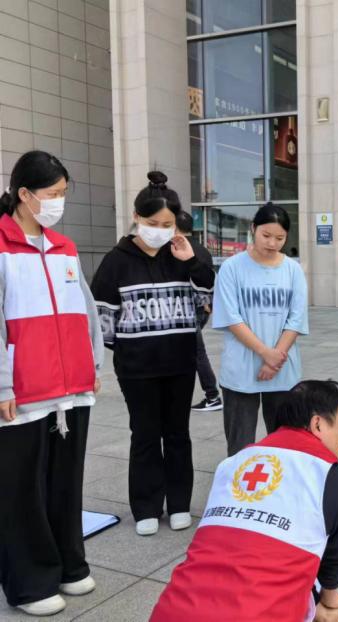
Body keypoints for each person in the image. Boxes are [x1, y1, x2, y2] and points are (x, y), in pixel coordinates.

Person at [150, 380, 338, 622]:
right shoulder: (336, 479)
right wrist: (330, 596)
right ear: (318, 424)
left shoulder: (232, 463)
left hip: (170, 612)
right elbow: (337, 554)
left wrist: (312, 606)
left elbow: (245, 552)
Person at [0, 151, 104, 616]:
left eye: (63, 194)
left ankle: (69, 565)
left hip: (71, 389)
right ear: (24, 194)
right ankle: (29, 582)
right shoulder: (2, 248)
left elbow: (86, 312)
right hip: (22, 392)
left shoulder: (64, 247)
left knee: (66, 482)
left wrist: (93, 365)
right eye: (52, 194)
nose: (59, 202)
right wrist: (2, 386)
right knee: (22, 490)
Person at [91, 171, 215, 537]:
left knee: (177, 434)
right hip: (137, 369)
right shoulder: (116, 261)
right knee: (144, 435)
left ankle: (178, 504)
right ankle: (146, 506)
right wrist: (134, 345)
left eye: (166, 225)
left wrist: (192, 262)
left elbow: (206, 300)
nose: (159, 231)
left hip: (179, 364)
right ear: (136, 217)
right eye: (152, 223)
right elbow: (104, 321)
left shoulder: (183, 254)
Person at [212, 203, 308, 457]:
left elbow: (296, 319)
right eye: (266, 235)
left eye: (280, 238)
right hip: (241, 369)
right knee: (240, 444)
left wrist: (275, 358)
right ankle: (240, 482)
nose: (272, 243)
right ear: (253, 229)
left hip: (282, 369)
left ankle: (279, 483)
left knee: (284, 442)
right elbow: (232, 318)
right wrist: (266, 353)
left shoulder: (293, 270)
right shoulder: (232, 268)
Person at [176, 212, 222, 413]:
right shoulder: (203, 250)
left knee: (196, 352)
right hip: (202, 309)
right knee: (186, 351)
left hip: (185, 310)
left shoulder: (177, 249)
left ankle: (212, 396)